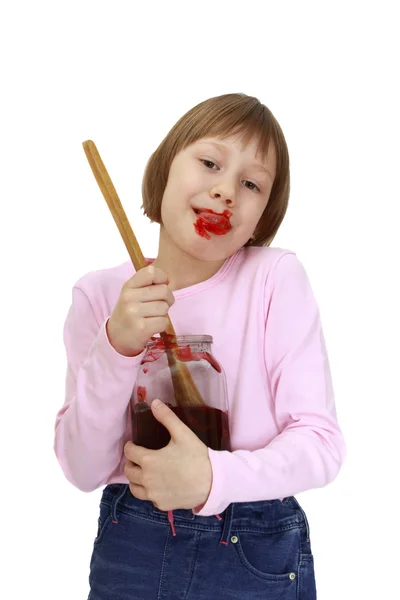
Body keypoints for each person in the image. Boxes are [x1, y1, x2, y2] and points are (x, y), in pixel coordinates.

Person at [53, 93, 346, 599]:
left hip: (254, 545)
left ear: (263, 216)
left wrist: (214, 477)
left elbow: (321, 444)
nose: (225, 190)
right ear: (167, 166)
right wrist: (117, 347)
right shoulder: (100, 296)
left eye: (251, 184)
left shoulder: (275, 279)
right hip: (134, 551)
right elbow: (82, 468)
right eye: (210, 162)